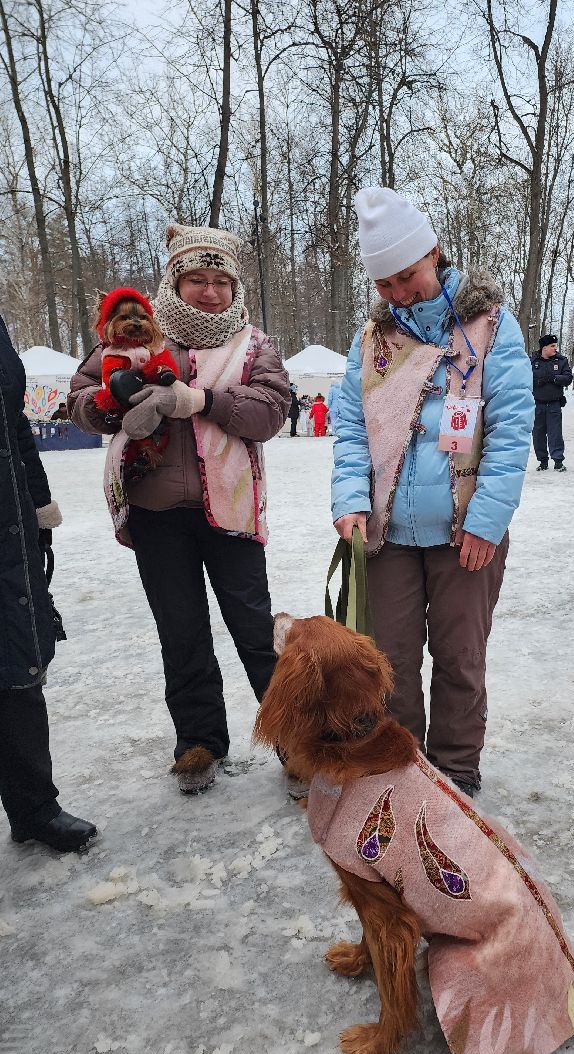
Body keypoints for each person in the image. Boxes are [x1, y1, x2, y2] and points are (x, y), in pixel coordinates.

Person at [69, 224, 291, 794]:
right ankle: (198, 741)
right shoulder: (127, 339)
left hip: (232, 509)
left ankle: (298, 738)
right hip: (155, 509)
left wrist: (203, 400)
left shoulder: (254, 344)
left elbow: (271, 410)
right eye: (198, 279)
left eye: (221, 280)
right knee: (181, 629)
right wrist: (109, 404)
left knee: (254, 628)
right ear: (176, 280)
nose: (210, 291)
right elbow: (79, 401)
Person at [331, 186, 534, 798]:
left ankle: (456, 771)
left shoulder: (490, 324)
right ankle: (402, 768)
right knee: (387, 662)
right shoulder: (371, 342)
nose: (398, 293)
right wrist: (350, 500)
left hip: (464, 532)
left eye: (407, 276)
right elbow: (349, 426)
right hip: (388, 532)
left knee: (460, 659)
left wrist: (487, 521)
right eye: (384, 284)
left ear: (434, 253)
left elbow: (511, 423)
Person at [0, 315, 97, 851]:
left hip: (8, 516)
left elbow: (13, 425)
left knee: (17, 659)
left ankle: (34, 805)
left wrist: (38, 503)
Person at [530, 333, 572, 472]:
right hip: (537, 404)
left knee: (555, 433)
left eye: (556, 345)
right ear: (544, 347)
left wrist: (554, 378)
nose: (555, 348)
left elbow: (568, 378)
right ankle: (542, 461)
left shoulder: (561, 361)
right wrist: (539, 381)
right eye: (552, 346)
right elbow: (524, 380)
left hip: (554, 404)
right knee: (538, 434)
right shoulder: (532, 361)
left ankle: (558, 461)